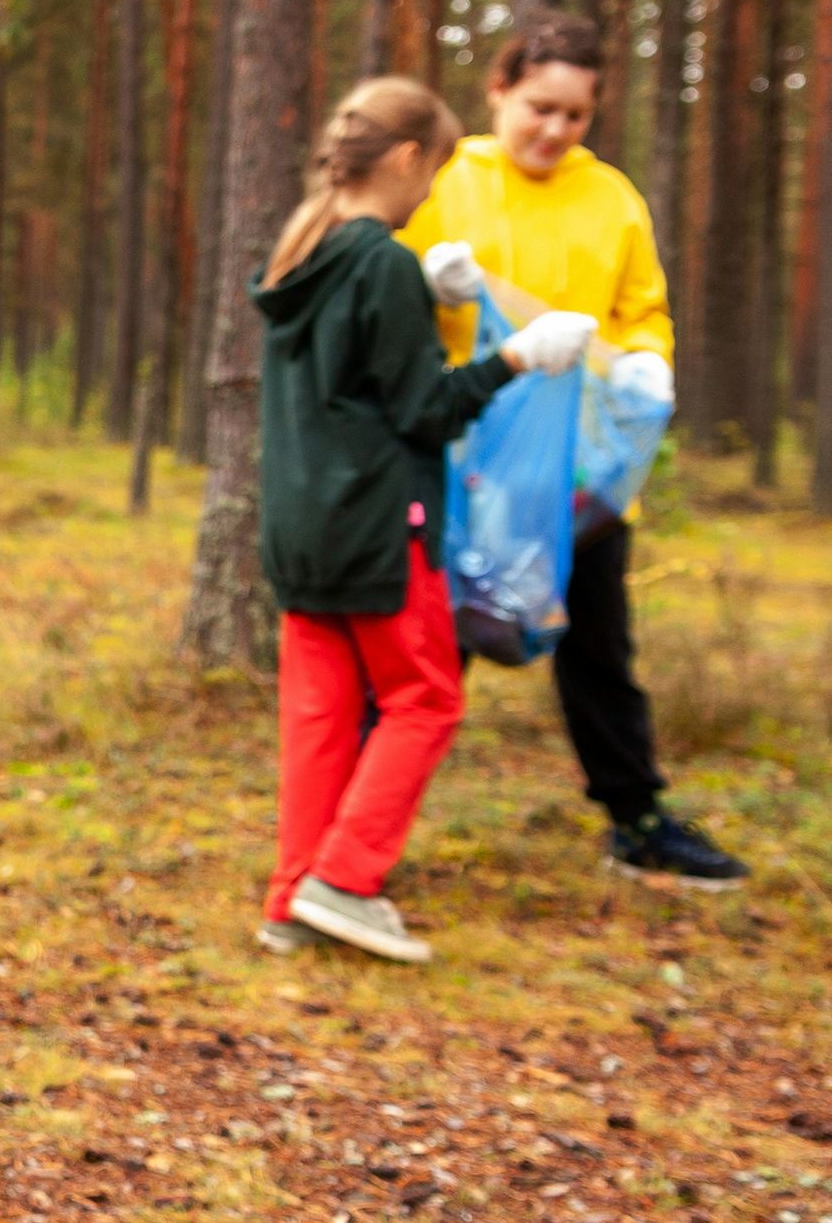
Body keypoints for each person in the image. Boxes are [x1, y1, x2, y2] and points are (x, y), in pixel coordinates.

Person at [252, 76, 600, 965]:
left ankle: (292, 899)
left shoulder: (299, 259)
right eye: (436, 170)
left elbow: (359, 382)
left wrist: (447, 305)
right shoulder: (382, 262)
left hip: (300, 527)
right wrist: (518, 355)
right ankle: (348, 879)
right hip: (379, 524)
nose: (434, 191)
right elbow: (425, 412)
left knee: (321, 714)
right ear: (407, 159)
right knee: (426, 698)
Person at [400, 11, 751, 886]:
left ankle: (636, 820)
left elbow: (643, 311)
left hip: (582, 474)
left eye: (574, 115)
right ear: (499, 91)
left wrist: (648, 367)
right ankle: (364, 828)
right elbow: (382, 280)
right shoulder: (445, 182)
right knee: (431, 650)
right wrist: (424, 279)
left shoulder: (612, 199)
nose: (554, 130)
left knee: (599, 649)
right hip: (466, 458)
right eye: (539, 108)